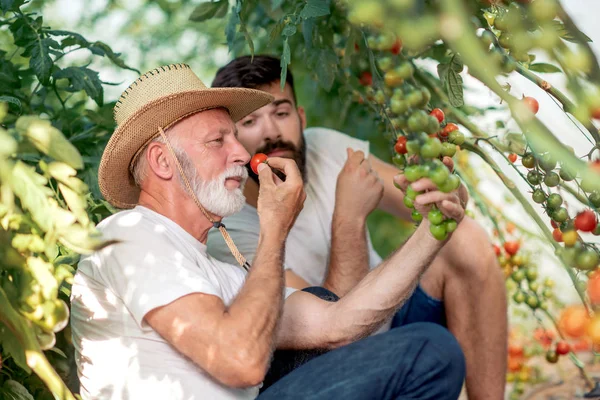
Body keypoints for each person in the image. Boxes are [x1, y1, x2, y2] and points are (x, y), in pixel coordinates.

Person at [70, 63, 466, 400]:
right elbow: (239, 360)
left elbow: (341, 321)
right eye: (217, 141)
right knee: (428, 351)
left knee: (422, 345)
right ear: (163, 161)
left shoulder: (220, 269)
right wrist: (273, 230)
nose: (242, 153)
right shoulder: (129, 234)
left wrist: (433, 231)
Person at [208, 55, 508, 400]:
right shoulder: (228, 229)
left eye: (281, 112)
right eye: (250, 121)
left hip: (395, 316)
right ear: (230, 140)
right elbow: (333, 326)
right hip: (336, 367)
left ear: (300, 117)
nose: (272, 132)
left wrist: (445, 187)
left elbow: (440, 205)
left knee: (464, 239)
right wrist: (348, 218)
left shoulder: (324, 147)